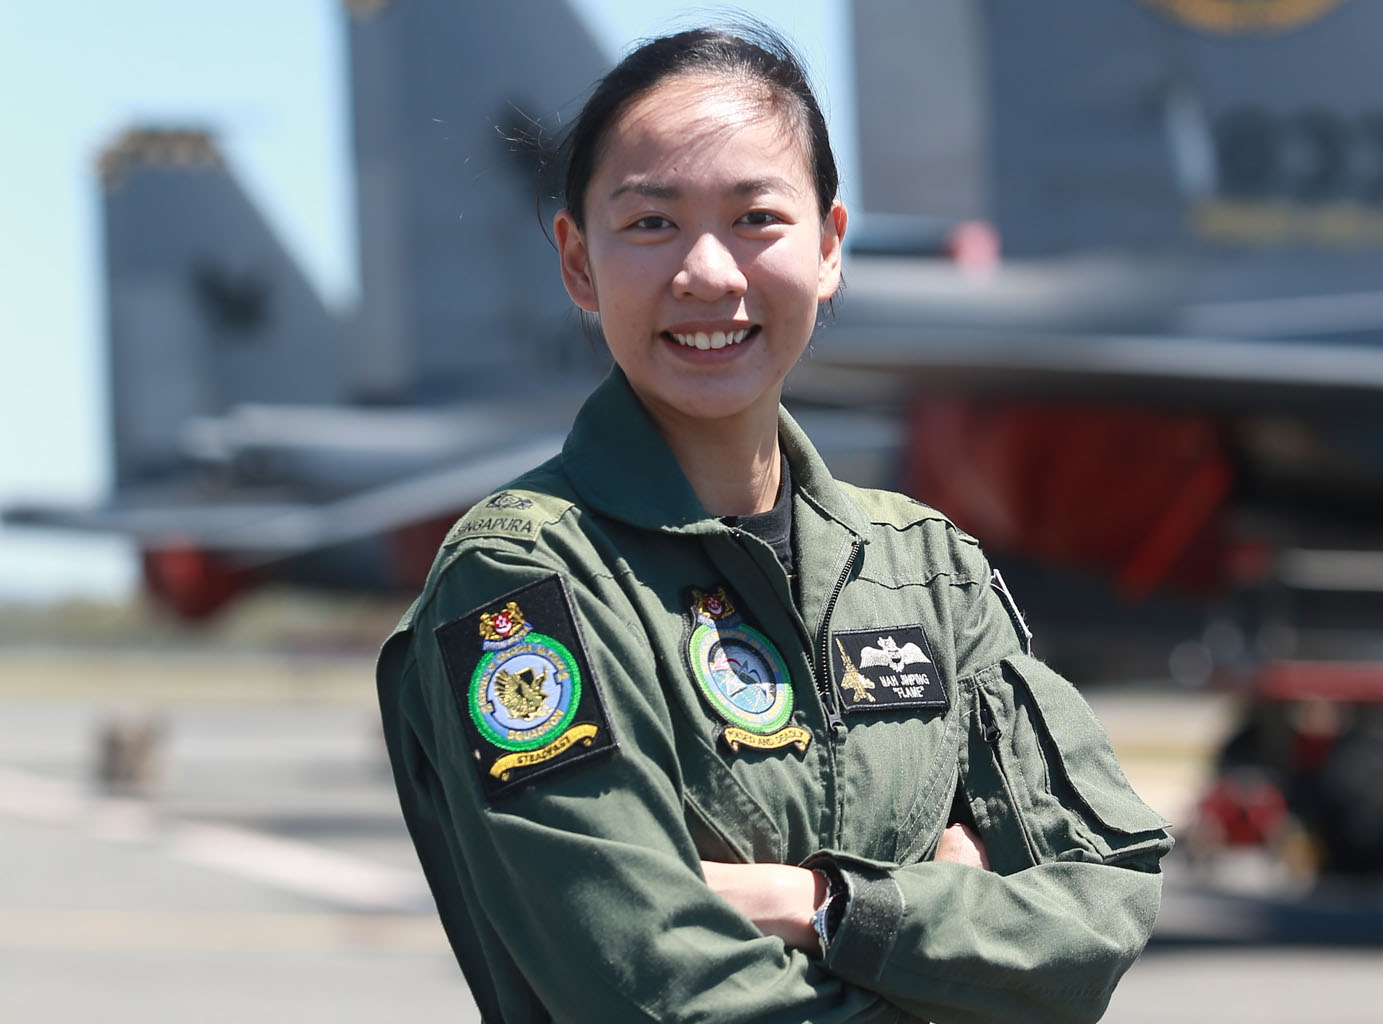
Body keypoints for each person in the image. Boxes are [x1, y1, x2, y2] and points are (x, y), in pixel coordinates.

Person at [376, 24, 1172, 1024]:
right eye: (652, 223)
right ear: (578, 263)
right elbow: (654, 987)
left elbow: (1096, 914)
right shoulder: (527, 581)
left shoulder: (925, 568)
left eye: (757, 216)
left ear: (831, 246)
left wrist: (826, 906)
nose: (709, 271)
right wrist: (953, 938)